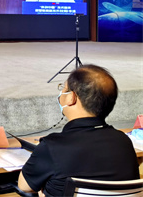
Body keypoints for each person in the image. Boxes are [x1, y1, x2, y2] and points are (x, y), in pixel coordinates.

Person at [18, 64, 139, 196]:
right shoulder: (124, 141)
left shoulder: (52, 147)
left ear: (71, 98)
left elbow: (24, 186)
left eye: (64, 88)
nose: (61, 93)